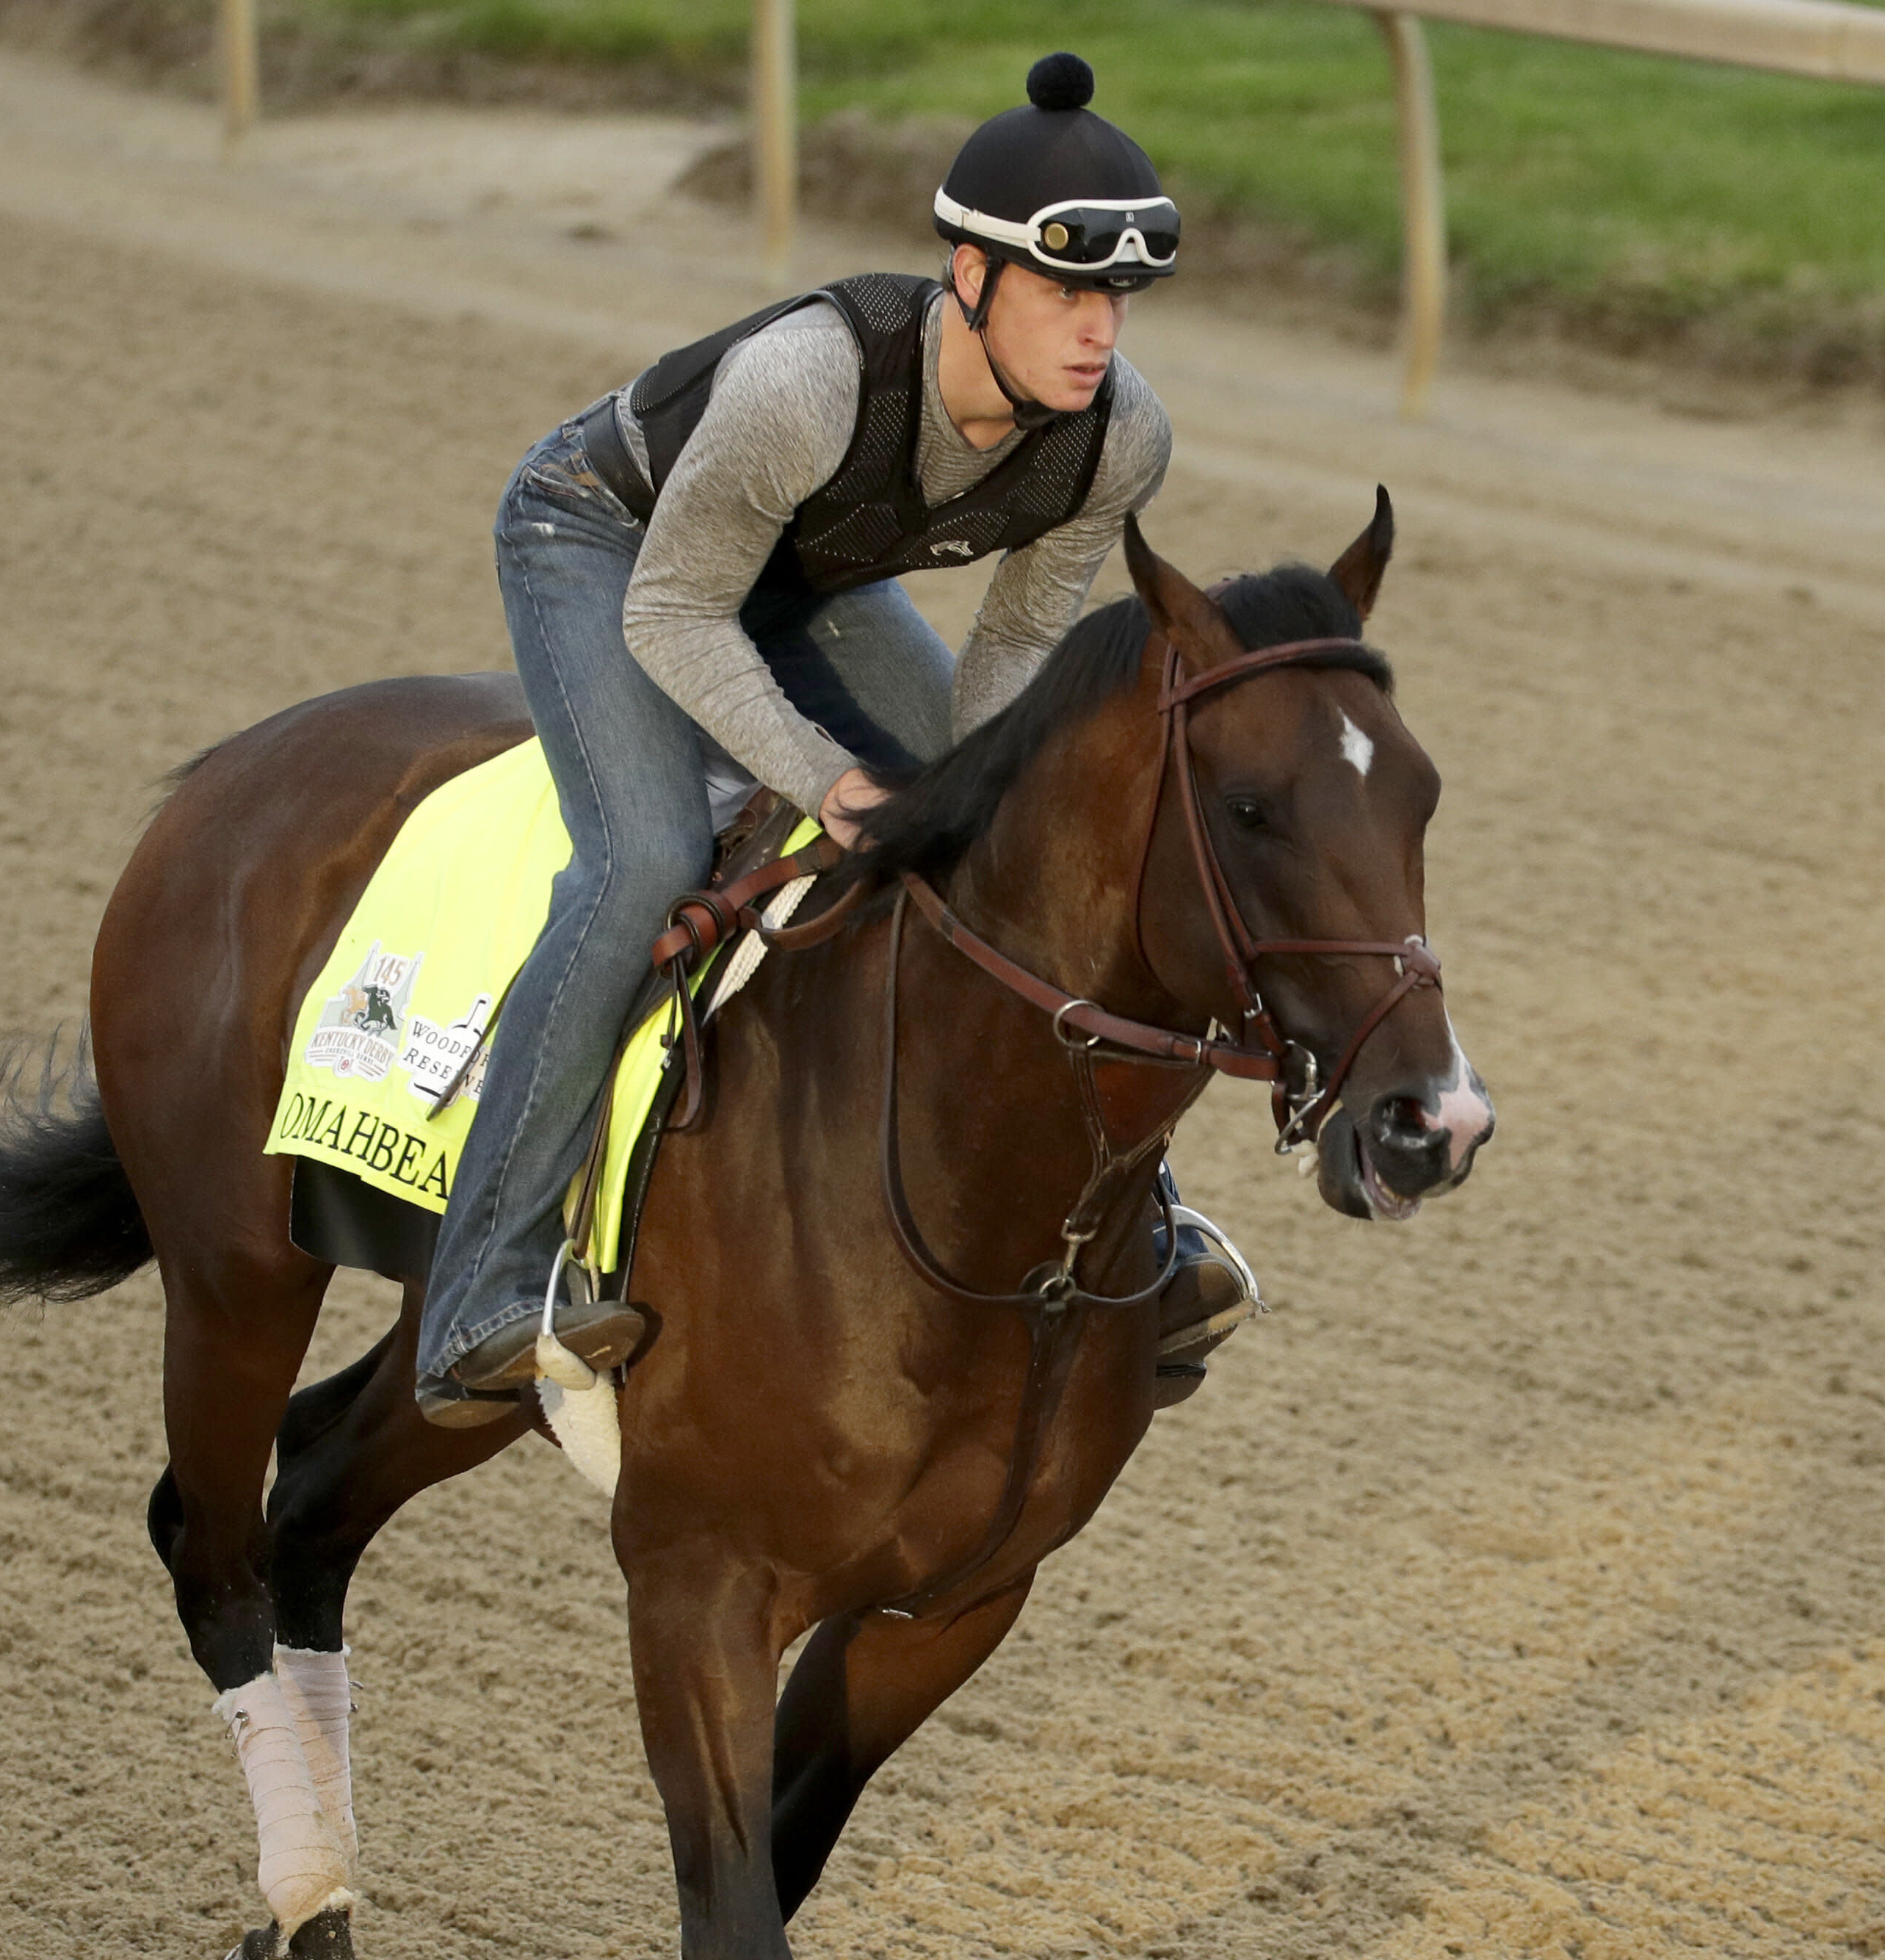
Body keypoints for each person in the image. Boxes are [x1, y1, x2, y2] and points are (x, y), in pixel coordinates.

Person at [416, 51, 1256, 1425]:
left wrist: (989, 808)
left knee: (1019, 828)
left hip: (813, 575)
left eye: (1116, 296)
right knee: (642, 860)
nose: (1098, 330)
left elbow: (1016, 657)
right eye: (1064, 289)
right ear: (969, 280)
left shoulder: (1119, 439)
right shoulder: (805, 384)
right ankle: (481, 1296)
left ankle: (1138, 1230)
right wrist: (829, 779)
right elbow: (681, 613)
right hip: (611, 544)